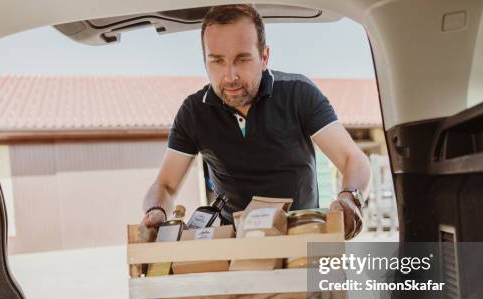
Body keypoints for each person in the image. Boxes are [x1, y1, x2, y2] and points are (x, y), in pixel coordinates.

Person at [142, 4, 371, 239]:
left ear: (264, 57)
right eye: (217, 61)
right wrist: (155, 210)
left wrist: (350, 197)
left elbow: (352, 159)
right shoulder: (193, 112)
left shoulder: (299, 93)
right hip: (237, 244)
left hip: (303, 237)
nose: (230, 76)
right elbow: (166, 186)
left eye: (242, 59)